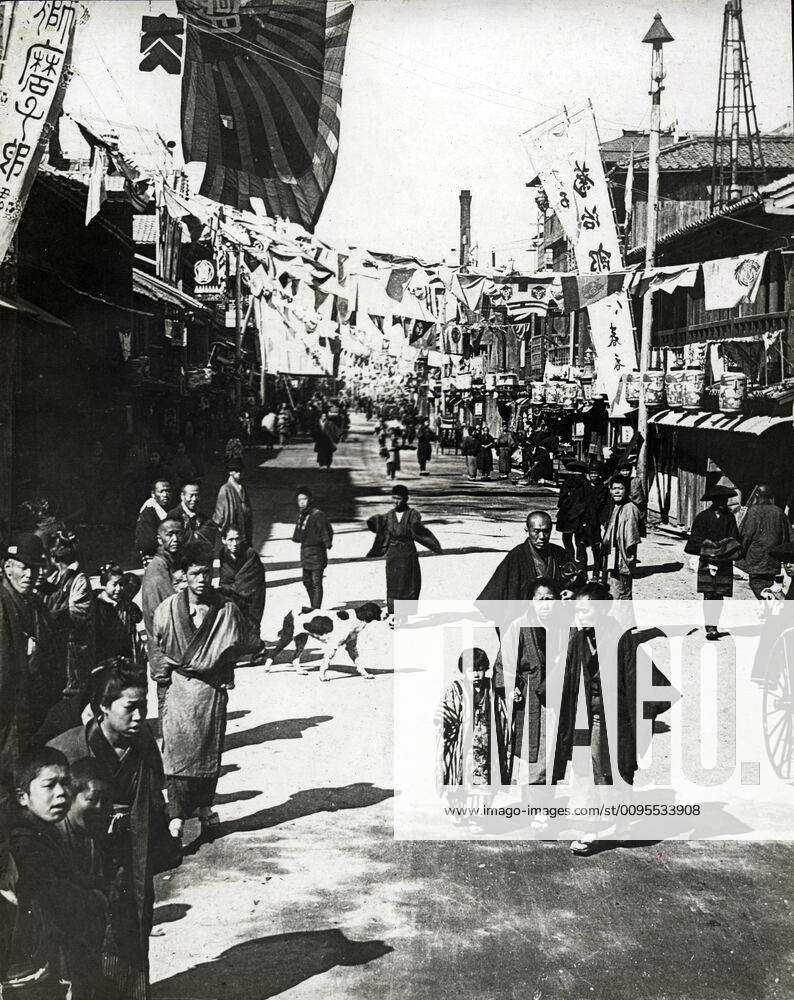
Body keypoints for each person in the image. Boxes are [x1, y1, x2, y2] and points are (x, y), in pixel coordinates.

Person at [49, 658, 180, 1000]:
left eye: (145, 706)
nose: (140, 717)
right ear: (102, 708)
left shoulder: (142, 741)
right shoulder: (67, 750)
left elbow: (155, 792)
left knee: (130, 939)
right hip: (83, 865)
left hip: (130, 859)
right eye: (131, 708)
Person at [152, 542, 246, 843]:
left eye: (206, 572)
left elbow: (234, 647)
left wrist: (225, 672)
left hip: (210, 690)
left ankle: (205, 806)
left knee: (208, 749)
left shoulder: (226, 609)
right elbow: (158, 647)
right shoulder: (168, 609)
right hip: (179, 688)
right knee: (177, 750)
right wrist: (163, 683)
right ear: (185, 575)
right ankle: (176, 813)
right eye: (195, 573)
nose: (202, 579)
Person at [9, 747, 108, 999]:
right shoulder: (23, 843)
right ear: (22, 797)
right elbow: (56, 894)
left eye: (65, 783)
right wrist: (97, 898)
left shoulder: (44, 829)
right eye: (50, 785)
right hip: (25, 971)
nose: (62, 792)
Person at [0, 534, 61, 785]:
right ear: (7, 567)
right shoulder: (3, 604)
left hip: (30, 708)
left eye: (35, 568)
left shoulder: (35, 604)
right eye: (23, 567)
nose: (29, 575)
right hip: (7, 710)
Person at [366, 485, 442, 616]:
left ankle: (407, 615)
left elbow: (419, 531)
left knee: (409, 583)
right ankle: (393, 614)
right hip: (393, 554)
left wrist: (434, 545)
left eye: (399, 498)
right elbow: (378, 523)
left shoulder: (413, 514)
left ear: (406, 499)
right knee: (393, 583)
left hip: (408, 554)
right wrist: (373, 522)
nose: (396, 501)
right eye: (394, 498)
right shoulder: (388, 515)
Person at [41, 528, 96, 700]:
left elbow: (78, 612)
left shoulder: (78, 579)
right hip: (56, 651)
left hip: (73, 653)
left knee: (72, 698)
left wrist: (47, 616)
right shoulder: (53, 579)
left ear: (53, 557)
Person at [684, 484, 741, 639]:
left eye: (724, 500)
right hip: (707, 559)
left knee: (719, 593)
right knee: (709, 593)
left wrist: (724, 547)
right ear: (713, 501)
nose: (723, 502)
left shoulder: (730, 517)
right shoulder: (702, 517)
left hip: (724, 560)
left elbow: (735, 538)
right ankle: (710, 627)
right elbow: (694, 540)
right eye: (719, 500)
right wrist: (709, 547)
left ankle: (714, 624)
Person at [478, 511, 569, 602]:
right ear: (527, 530)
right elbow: (497, 590)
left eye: (546, 531)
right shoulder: (516, 555)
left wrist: (572, 591)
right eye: (536, 531)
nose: (542, 536)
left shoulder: (559, 553)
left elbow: (575, 581)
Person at [142, 518, 183, 713]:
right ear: (159, 539)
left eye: (178, 533)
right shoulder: (157, 570)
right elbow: (165, 613)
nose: (175, 538)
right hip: (164, 649)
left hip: (173, 648)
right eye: (170, 534)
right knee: (167, 703)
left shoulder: (173, 563)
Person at [739, 484, 792, 599]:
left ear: (757, 495)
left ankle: (771, 605)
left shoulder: (753, 511)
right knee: (768, 584)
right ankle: (771, 607)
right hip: (774, 559)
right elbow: (788, 536)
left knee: (756, 583)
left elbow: (746, 535)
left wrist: (741, 552)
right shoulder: (779, 512)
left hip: (756, 558)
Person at [218, 526, 266, 649]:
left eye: (237, 539)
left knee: (252, 622)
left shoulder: (250, 553)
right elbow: (224, 574)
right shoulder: (223, 553)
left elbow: (246, 577)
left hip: (253, 592)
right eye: (230, 539)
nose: (234, 543)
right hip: (235, 592)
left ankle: (259, 650)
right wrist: (223, 588)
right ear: (223, 540)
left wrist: (227, 589)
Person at [95, 563, 145, 667]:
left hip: (127, 655)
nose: (119, 588)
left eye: (121, 584)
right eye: (114, 584)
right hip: (107, 658)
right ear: (104, 585)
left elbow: (138, 617)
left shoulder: (125, 603)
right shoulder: (97, 606)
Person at [601, 476, 642, 600]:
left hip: (621, 560)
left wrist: (626, 560)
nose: (617, 492)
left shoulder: (630, 508)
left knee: (621, 596)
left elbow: (631, 538)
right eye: (614, 488)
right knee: (611, 593)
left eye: (620, 488)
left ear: (627, 490)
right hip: (612, 558)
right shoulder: (615, 506)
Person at [293, 489, 333, 610]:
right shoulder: (302, 515)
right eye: (299, 500)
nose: (302, 502)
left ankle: (316, 608)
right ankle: (313, 606)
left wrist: (326, 543)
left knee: (316, 583)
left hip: (317, 553)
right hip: (305, 553)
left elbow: (325, 531)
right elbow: (298, 535)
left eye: (304, 499)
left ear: (310, 500)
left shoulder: (317, 514)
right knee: (307, 582)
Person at [556, 463, 591, 567]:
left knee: (571, 539)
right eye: (575, 472)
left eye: (578, 472)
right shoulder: (585, 483)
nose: (576, 474)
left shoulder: (569, 482)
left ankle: (572, 560)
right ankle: (579, 561)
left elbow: (561, 499)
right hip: (575, 515)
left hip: (570, 515)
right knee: (578, 540)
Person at [135, 479, 174, 566]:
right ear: (153, 494)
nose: (165, 495)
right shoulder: (148, 511)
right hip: (154, 557)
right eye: (161, 491)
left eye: (168, 491)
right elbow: (147, 544)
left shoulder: (168, 510)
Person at [213, 461, 253, 546]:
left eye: (241, 471)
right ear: (230, 472)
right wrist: (224, 529)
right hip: (233, 525)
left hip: (245, 525)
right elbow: (219, 512)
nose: (239, 473)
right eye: (236, 471)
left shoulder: (242, 487)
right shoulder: (225, 489)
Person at [167, 482, 216, 548]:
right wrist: (196, 536)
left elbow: (210, 534)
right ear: (182, 496)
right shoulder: (173, 515)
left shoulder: (203, 516)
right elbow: (175, 537)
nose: (194, 499)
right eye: (191, 495)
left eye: (197, 495)